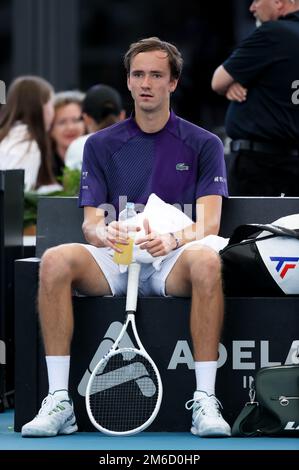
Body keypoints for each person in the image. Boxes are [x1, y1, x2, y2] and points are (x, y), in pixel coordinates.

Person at [21, 37, 230, 438]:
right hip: (117, 258)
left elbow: (209, 223)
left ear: (173, 83)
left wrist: (171, 240)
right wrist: (104, 232)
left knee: (207, 260)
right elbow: (90, 224)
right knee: (54, 261)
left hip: (174, 259)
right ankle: (60, 400)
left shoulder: (204, 143)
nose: (146, 82)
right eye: (138, 74)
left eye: (156, 74)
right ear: (128, 82)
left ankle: (205, 400)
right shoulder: (100, 145)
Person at [212, 0, 299, 196]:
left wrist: (234, 81)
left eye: (258, 0)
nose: (252, 8)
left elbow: (218, 81)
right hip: (294, 165)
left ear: (278, 2)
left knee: (246, 227)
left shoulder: (274, 33)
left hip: (259, 167)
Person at [0, 75, 57, 192]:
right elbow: (18, 194)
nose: (53, 111)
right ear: (41, 106)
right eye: (52, 104)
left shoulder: (9, 136)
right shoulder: (26, 144)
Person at [65, 84, 126, 170]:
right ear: (122, 115)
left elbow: (70, 182)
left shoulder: (78, 146)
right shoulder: (138, 145)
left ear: (86, 118)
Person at [50, 91, 86, 179]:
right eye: (62, 122)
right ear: (50, 128)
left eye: (76, 120)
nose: (70, 127)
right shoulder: (43, 164)